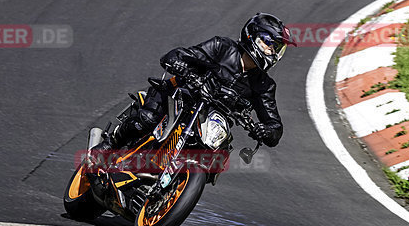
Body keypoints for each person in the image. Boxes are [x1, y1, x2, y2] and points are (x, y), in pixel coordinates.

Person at [97, 13, 292, 151]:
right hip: (181, 97)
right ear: (252, 36)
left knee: (218, 155)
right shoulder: (222, 47)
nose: (272, 51)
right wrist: (178, 64)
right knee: (147, 119)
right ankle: (109, 146)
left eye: (277, 48)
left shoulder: (265, 85)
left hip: (209, 122)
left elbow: (275, 126)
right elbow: (179, 55)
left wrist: (266, 131)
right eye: (269, 43)